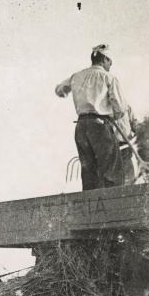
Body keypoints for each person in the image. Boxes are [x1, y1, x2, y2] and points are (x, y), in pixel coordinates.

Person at [55, 44, 129, 191]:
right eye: (110, 62)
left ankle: (92, 210)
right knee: (112, 172)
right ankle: (115, 208)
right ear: (105, 60)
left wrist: (68, 92)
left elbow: (59, 90)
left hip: (81, 127)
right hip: (100, 127)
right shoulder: (109, 78)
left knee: (89, 174)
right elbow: (120, 109)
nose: (110, 65)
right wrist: (114, 116)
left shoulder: (77, 76)